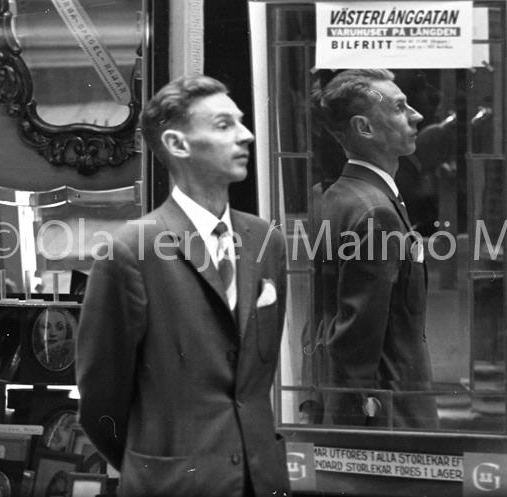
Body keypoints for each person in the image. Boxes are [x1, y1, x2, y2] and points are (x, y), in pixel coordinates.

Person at [76, 75, 290, 497]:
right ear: (177, 144)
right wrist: (156, 468)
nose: (246, 135)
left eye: (241, 122)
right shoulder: (131, 250)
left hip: (262, 481)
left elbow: (253, 381)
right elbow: (101, 402)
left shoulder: (267, 241)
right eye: (224, 125)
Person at [316, 68, 439, 429]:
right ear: (364, 128)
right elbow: (356, 337)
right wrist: (359, 422)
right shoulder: (375, 212)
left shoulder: (340, 196)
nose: (417, 115)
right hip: (393, 418)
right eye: (400, 108)